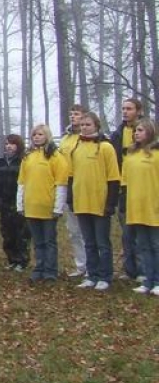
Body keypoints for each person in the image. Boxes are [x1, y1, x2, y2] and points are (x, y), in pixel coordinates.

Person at [69, 111, 120, 291]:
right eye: (82, 125)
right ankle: (92, 274)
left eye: (88, 124)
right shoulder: (77, 147)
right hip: (81, 202)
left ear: (96, 126)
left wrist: (110, 203)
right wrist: (71, 199)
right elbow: (71, 175)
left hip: (100, 202)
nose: (84, 127)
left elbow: (114, 177)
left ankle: (105, 275)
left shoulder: (106, 147)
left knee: (102, 242)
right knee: (88, 242)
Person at [17, 124, 68, 282]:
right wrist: (20, 205)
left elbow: (61, 184)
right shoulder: (28, 157)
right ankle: (39, 268)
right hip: (31, 206)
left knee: (49, 241)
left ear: (47, 136)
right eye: (34, 135)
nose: (37, 137)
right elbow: (22, 183)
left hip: (48, 207)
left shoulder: (56, 157)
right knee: (37, 241)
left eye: (40, 134)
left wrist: (58, 207)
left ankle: (50, 270)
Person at [122, 118, 159, 295]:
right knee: (143, 245)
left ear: (150, 132)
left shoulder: (156, 154)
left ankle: (158, 280)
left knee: (155, 244)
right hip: (136, 207)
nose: (137, 133)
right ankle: (147, 279)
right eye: (136, 130)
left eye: (141, 130)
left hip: (154, 206)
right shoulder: (130, 155)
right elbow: (126, 182)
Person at [110, 98, 144, 281]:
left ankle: (144, 269)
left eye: (129, 108)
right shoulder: (118, 134)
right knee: (127, 231)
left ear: (138, 111)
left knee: (142, 232)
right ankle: (129, 269)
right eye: (123, 108)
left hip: (143, 187)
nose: (125, 112)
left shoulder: (147, 132)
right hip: (123, 187)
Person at [58, 105, 88, 277]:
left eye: (76, 114)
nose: (73, 117)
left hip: (83, 183)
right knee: (73, 229)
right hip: (67, 183)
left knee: (86, 228)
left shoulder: (89, 138)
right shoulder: (65, 139)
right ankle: (81, 264)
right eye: (71, 114)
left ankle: (93, 264)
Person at [0, 134, 29, 270]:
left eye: (12, 144)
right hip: (4, 202)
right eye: (7, 144)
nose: (8, 146)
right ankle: (11, 259)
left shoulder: (23, 161)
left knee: (20, 233)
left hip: (18, 202)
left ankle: (22, 261)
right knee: (7, 233)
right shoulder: (2, 162)